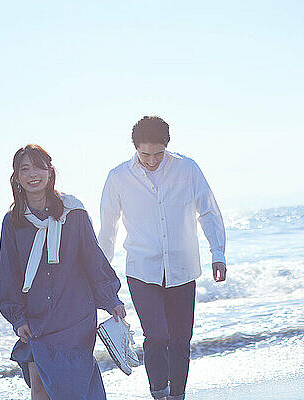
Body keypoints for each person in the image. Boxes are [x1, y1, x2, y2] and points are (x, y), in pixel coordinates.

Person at [98, 116, 227, 400]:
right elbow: (108, 230)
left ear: (167, 146)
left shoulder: (187, 168)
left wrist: (217, 252)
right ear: (135, 148)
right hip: (143, 270)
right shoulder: (118, 177)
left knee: (181, 340)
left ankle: (178, 395)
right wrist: (101, 280)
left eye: (158, 153)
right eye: (145, 154)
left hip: (183, 268)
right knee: (156, 336)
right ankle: (159, 394)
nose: (152, 161)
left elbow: (208, 210)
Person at [0, 144, 126, 400]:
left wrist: (111, 299)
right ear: (17, 177)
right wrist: (17, 318)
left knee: (75, 387)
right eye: (25, 169)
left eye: (38, 167)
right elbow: (8, 274)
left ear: (49, 171)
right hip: (35, 318)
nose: (33, 174)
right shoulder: (13, 220)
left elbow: (92, 258)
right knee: (39, 384)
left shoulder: (73, 211)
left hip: (74, 316)